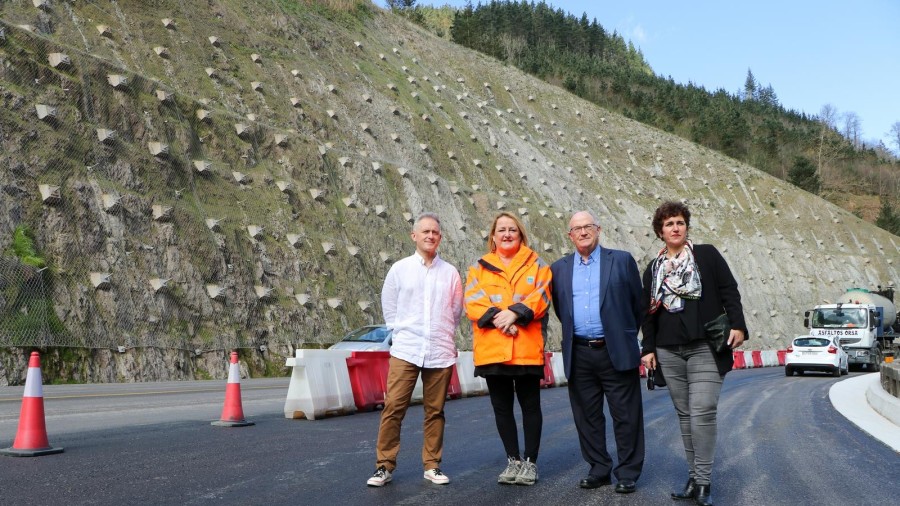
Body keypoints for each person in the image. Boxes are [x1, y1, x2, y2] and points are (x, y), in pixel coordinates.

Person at [640, 201, 748, 506]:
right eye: (668, 224)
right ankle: (694, 478)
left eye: (679, 222)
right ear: (660, 232)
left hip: (705, 345)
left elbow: (729, 290)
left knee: (702, 411)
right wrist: (648, 348)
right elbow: (646, 313)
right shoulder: (653, 268)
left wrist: (738, 325)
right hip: (668, 350)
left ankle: (703, 483)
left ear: (686, 226)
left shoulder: (707, 255)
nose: (675, 228)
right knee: (685, 415)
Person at [549, 210, 644, 494]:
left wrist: (622, 334)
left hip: (614, 349)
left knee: (626, 415)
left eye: (587, 226)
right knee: (587, 417)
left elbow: (637, 304)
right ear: (570, 235)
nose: (582, 232)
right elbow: (560, 308)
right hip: (579, 352)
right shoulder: (559, 268)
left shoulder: (622, 260)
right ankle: (599, 469)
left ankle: (627, 472)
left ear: (598, 229)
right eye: (576, 229)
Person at [366, 212, 464, 487]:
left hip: (440, 350)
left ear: (440, 237)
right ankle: (384, 466)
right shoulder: (400, 269)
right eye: (425, 232)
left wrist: (442, 332)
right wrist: (400, 330)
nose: (430, 236)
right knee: (394, 407)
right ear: (414, 236)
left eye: (435, 233)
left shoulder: (450, 273)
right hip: (407, 349)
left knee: (435, 411)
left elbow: (455, 311)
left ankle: (432, 465)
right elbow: (390, 304)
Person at [464, 212, 552, 486]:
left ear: (520, 234)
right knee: (501, 408)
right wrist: (502, 320)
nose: (506, 234)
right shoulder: (479, 267)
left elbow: (542, 296)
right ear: (493, 236)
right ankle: (513, 460)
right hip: (493, 350)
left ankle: (531, 462)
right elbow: (473, 302)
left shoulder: (537, 264)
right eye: (501, 229)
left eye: (512, 229)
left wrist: (514, 314)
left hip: (526, 348)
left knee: (530, 406)